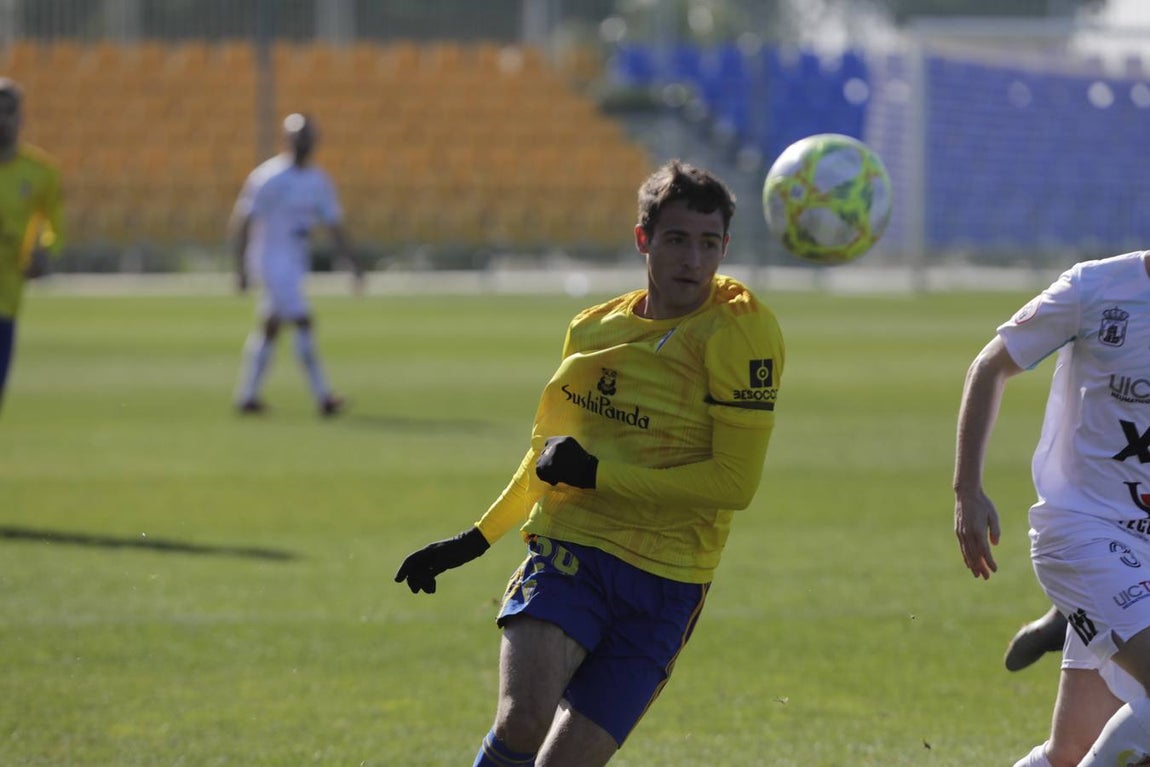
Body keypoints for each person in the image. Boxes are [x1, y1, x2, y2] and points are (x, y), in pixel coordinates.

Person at [394, 160, 785, 766]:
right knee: (523, 720)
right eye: (677, 240)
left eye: (709, 244)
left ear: (726, 247)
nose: (694, 260)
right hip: (572, 548)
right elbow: (549, 459)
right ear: (643, 240)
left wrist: (597, 473)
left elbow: (733, 484)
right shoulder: (592, 331)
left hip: (669, 580)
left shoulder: (739, 335)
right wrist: (475, 540)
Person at [953, 250, 1150, 766]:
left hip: (1140, 557)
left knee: (1069, 752)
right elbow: (991, 366)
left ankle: (1065, 618)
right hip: (1082, 532)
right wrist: (966, 490)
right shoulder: (1096, 288)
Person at [230, 112, 362, 417]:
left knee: (271, 328)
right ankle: (323, 396)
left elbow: (334, 225)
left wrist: (353, 263)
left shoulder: (318, 181)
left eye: (308, 138)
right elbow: (243, 221)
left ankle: (247, 396)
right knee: (303, 322)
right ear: (286, 140)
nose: (303, 144)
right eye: (298, 138)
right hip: (269, 259)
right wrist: (240, 267)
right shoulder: (269, 178)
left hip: (294, 261)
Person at [0, 78, 63, 414]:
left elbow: (55, 225)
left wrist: (44, 253)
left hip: (6, 300)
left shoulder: (40, 172)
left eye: (8, 111)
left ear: (21, 117)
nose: (1, 120)